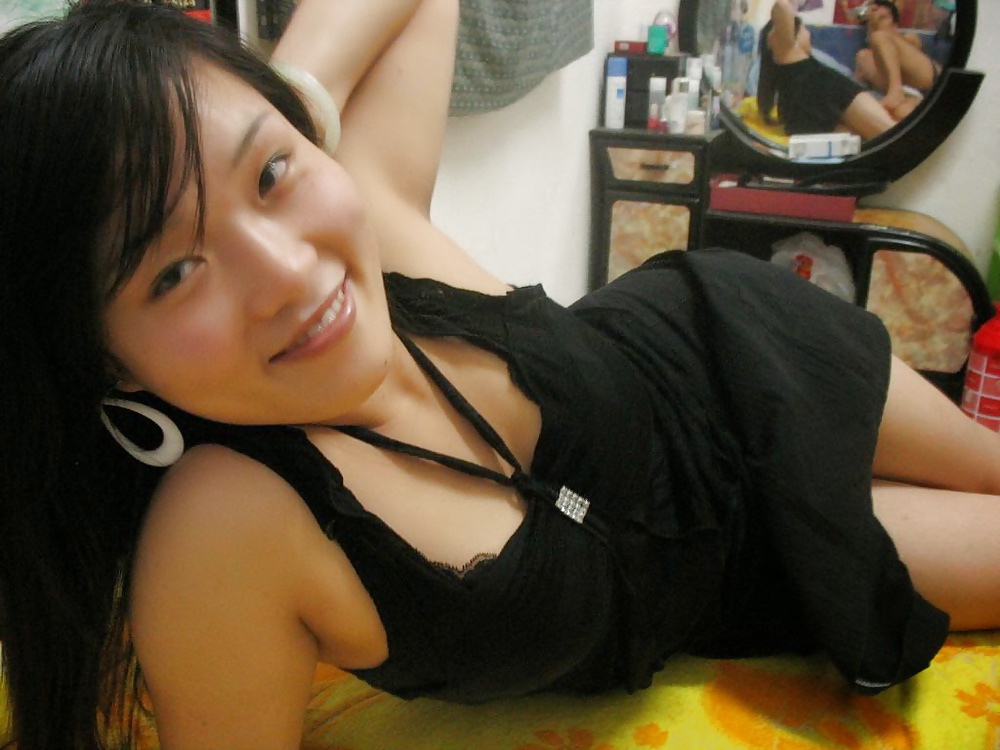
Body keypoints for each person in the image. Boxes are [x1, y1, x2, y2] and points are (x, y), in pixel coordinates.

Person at [1, 1, 1000, 748]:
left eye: (270, 173)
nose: (290, 273)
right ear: (101, 357)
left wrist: (285, 100)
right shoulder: (229, 527)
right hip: (743, 569)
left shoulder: (373, 223)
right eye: (174, 272)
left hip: (741, 348)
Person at [758, 0, 898, 139]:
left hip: (814, 106)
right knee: (891, 135)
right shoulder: (786, 50)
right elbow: (782, 6)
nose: (808, 34)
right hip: (829, 91)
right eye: (804, 29)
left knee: (859, 139)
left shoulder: (786, 87)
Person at [853, 0, 941, 119]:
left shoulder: (909, 38)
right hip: (908, 95)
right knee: (902, 113)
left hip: (926, 78)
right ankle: (896, 95)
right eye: (872, 8)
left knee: (879, 37)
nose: (874, 9)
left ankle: (895, 91)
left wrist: (878, 33)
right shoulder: (866, 56)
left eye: (880, 6)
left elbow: (908, 52)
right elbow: (857, 83)